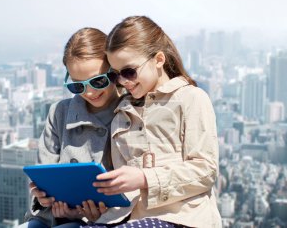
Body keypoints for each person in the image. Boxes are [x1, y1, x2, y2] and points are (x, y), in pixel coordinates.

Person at [81, 16, 221, 228]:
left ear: (159, 60)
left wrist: (145, 178)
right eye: (116, 75)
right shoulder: (121, 112)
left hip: (181, 218)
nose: (124, 81)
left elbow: (206, 170)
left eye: (129, 71)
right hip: (128, 219)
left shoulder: (191, 98)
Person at [21, 27, 121, 227]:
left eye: (98, 81)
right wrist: (43, 198)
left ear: (114, 71)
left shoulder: (129, 114)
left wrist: (97, 214)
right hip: (50, 218)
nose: (90, 92)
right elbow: (44, 171)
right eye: (78, 85)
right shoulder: (59, 113)